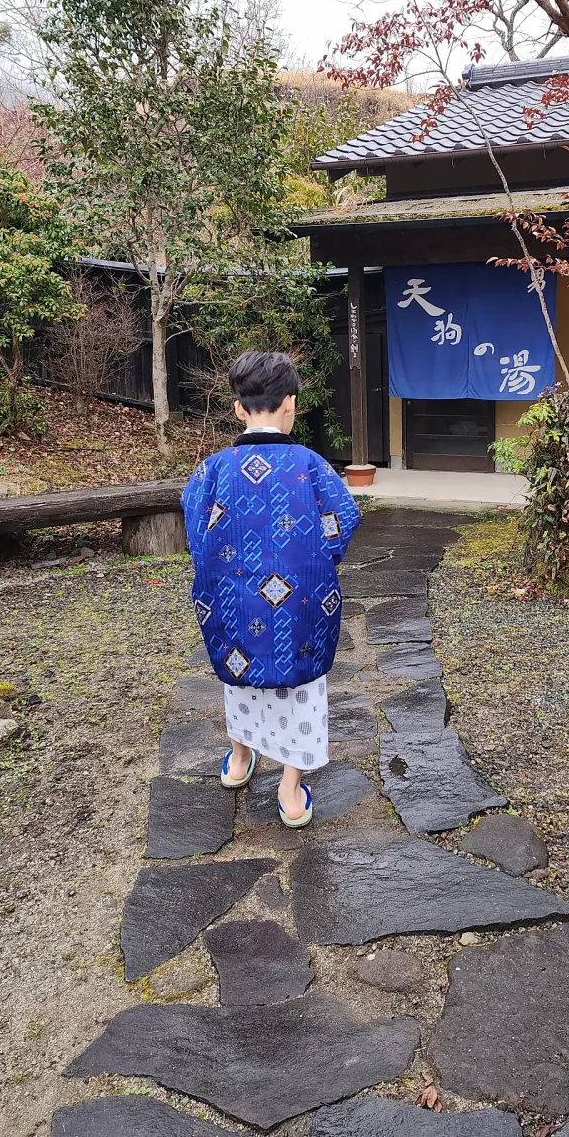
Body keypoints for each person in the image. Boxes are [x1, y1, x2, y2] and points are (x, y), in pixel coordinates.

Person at [181, 351, 361, 828]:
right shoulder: (313, 465)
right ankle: (290, 790)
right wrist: (314, 563)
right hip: (301, 603)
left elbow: (197, 535)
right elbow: (342, 520)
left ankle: (240, 761)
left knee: (240, 675)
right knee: (301, 687)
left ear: (239, 408)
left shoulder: (212, 470)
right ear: (291, 404)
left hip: (234, 602)